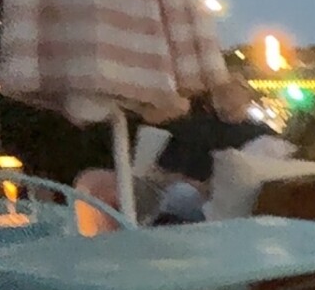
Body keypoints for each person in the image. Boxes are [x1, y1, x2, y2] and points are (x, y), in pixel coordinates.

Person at [74, 77, 289, 231]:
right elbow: (162, 172)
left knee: (100, 184)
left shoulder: (259, 136)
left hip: (209, 202)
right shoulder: (197, 128)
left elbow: (163, 174)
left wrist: (205, 187)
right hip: (209, 201)